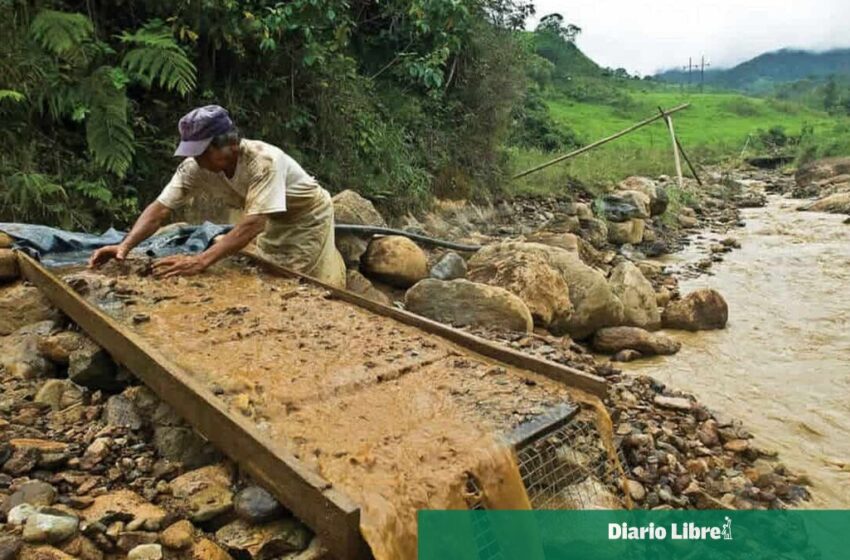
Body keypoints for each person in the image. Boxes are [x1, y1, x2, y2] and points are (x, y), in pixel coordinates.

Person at [88, 105, 346, 286]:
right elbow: (160, 209)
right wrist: (125, 246)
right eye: (193, 152)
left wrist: (200, 261)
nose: (197, 159)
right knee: (270, 272)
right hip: (275, 217)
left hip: (306, 215)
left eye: (203, 151)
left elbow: (254, 223)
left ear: (231, 144)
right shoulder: (195, 167)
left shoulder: (264, 162)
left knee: (300, 281)